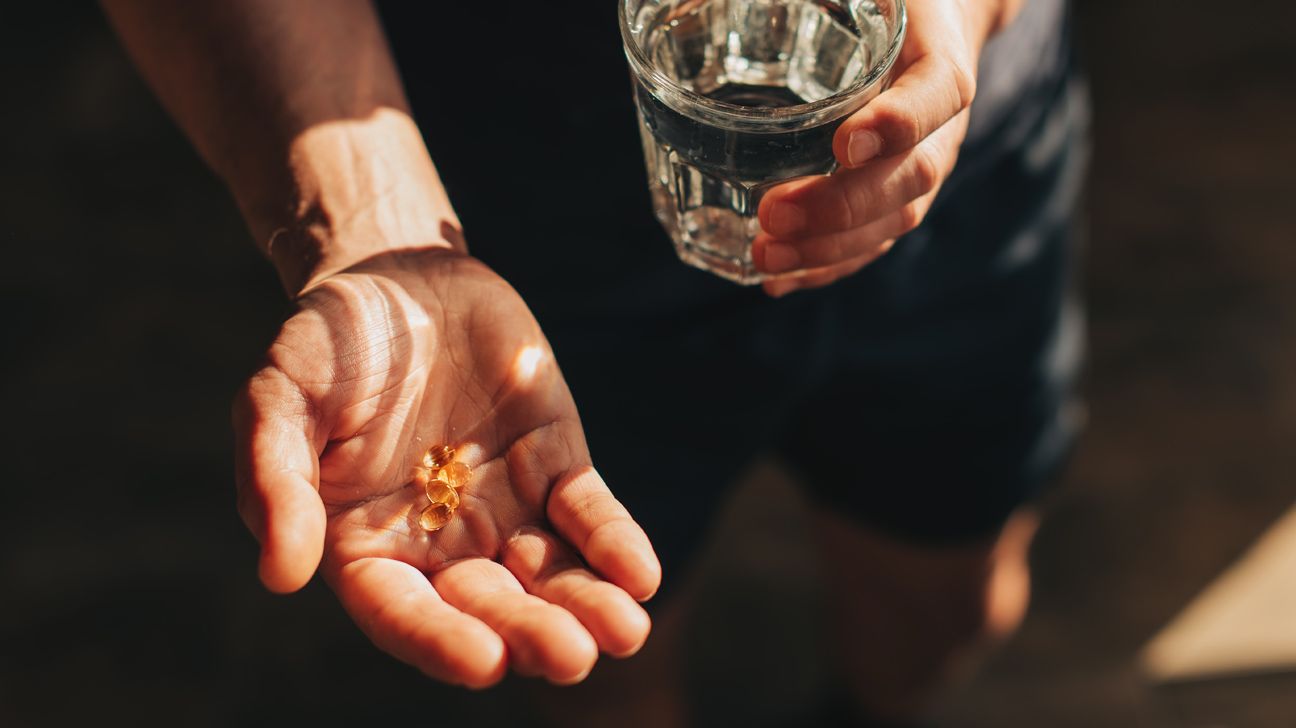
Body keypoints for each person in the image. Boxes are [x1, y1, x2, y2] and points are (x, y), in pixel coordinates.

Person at [102, 0, 1087, 723]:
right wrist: (372, 230)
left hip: (953, 160)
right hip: (515, 225)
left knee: (950, 605)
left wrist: (956, 21)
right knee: (596, 651)